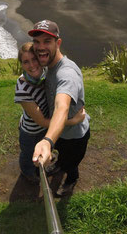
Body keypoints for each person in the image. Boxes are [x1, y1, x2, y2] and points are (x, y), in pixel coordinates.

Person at [30, 20, 90, 196]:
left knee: (72, 164)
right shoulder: (50, 65)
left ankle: (71, 180)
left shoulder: (67, 74)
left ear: (58, 43)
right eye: (37, 42)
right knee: (62, 156)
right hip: (61, 133)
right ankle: (59, 165)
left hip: (75, 137)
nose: (40, 47)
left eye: (47, 42)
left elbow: (61, 106)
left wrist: (47, 140)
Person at [15, 42, 86, 184]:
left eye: (34, 59)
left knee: (43, 151)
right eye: (26, 62)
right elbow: (40, 120)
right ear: (21, 65)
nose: (32, 65)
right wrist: (72, 121)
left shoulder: (44, 76)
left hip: (45, 130)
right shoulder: (22, 88)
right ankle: (28, 173)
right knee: (28, 155)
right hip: (31, 132)